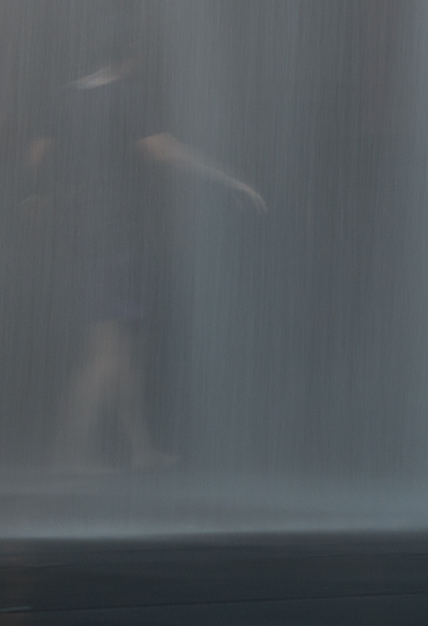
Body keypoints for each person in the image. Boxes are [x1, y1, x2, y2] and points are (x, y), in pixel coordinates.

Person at [23, 49, 264, 471]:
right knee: (106, 351)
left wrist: (36, 195)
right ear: (128, 58)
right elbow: (162, 150)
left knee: (124, 346)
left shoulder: (64, 95)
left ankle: (140, 449)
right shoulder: (125, 94)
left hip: (80, 235)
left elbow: (37, 151)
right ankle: (68, 453)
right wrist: (228, 178)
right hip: (112, 235)